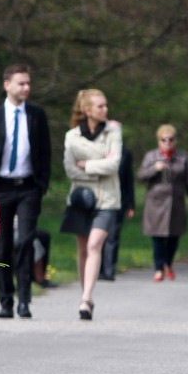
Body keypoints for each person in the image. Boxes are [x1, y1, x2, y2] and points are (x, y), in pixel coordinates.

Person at [0, 64, 52, 319]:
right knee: (3, 245)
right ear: (7, 85)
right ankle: (6, 301)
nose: (26, 88)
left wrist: (42, 183)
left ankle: (25, 300)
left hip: (29, 187)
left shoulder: (36, 115)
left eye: (28, 83)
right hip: (0, 188)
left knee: (25, 242)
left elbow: (45, 151)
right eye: (21, 83)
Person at [61, 89, 122, 319]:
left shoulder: (113, 131)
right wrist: (99, 167)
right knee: (82, 248)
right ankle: (85, 294)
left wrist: (86, 166)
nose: (105, 110)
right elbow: (70, 169)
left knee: (95, 244)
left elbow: (114, 164)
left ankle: (86, 298)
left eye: (105, 106)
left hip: (107, 199)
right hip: (81, 199)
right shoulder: (72, 136)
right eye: (100, 106)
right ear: (88, 110)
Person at [137, 124, 188, 282]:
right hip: (156, 203)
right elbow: (141, 176)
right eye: (164, 140)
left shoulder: (182, 157)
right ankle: (158, 269)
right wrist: (154, 169)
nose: (167, 143)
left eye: (170, 139)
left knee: (173, 237)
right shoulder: (151, 156)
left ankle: (168, 264)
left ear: (175, 140)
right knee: (157, 237)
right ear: (159, 141)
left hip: (175, 203)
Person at [99, 145, 136, 281]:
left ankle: (109, 270)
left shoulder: (125, 153)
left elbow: (128, 179)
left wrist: (131, 204)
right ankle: (97, 269)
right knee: (98, 235)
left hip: (118, 200)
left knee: (112, 235)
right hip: (99, 199)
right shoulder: (97, 148)